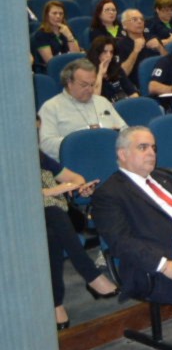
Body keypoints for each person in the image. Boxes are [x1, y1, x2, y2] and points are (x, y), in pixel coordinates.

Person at [92, 127, 172, 306]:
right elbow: (121, 243)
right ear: (123, 154)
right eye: (143, 147)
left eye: (153, 148)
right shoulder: (109, 194)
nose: (151, 153)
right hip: (162, 263)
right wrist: (164, 265)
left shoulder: (163, 177)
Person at [36, 132, 115, 330]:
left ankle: (56, 303)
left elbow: (72, 177)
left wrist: (79, 185)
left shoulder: (38, 156)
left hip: (51, 217)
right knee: (54, 214)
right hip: (18, 220)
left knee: (52, 229)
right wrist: (50, 191)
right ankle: (90, 275)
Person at [39, 59, 128, 158]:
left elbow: (125, 131)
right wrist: (83, 141)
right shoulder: (51, 107)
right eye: (84, 85)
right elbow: (46, 145)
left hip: (110, 156)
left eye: (92, 84)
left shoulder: (102, 102)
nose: (90, 89)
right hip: (76, 160)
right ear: (69, 83)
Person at [114, 9, 160, 88]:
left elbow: (170, 62)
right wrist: (135, 51)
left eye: (142, 19)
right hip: (137, 86)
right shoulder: (120, 45)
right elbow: (122, 74)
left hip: (160, 81)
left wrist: (160, 48)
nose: (139, 22)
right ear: (124, 25)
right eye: (134, 19)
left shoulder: (152, 38)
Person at [31, 0, 80, 73]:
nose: (58, 16)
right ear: (47, 15)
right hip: (51, 70)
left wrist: (69, 36)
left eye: (61, 14)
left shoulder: (67, 30)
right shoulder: (41, 34)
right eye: (54, 13)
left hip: (70, 69)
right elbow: (51, 62)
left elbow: (76, 55)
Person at [86, 36, 137, 102]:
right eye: (105, 52)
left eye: (111, 52)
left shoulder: (116, 68)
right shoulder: (87, 72)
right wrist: (100, 74)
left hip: (123, 104)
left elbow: (133, 92)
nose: (109, 55)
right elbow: (95, 99)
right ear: (97, 53)